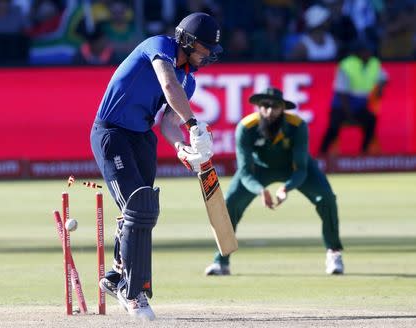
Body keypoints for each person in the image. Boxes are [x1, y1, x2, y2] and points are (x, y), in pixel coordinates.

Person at [90, 12, 222, 321]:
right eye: (204, 48)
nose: (208, 55)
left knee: (142, 210)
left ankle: (116, 275)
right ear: (187, 41)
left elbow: (167, 123)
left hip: (142, 137)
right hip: (111, 132)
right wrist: (194, 124)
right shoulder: (158, 46)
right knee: (138, 207)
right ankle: (133, 291)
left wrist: (182, 148)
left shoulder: (189, 79)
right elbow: (167, 84)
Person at [204, 87, 344, 277]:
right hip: (259, 169)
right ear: (258, 107)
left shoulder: (297, 125)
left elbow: (301, 169)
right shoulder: (246, 128)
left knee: (326, 198)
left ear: (283, 109)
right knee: (230, 203)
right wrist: (261, 190)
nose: (269, 111)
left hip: (294, 168)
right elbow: (245, 172)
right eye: (265, 106)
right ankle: (221, 261)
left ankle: (333, 253)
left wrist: (287, 187)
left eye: (275, 107)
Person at [319, 39, 388, 155]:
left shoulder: (374, 63)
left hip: (360, 105)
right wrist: (349, 114)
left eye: (370, 51)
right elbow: (341, 93)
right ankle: (322, 153)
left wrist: (380, 87)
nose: (369, 53)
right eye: (366, 51)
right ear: (358, 52)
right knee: (333, 126)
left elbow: (384, 77)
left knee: (371, 120)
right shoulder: (347, 65)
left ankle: (364, 152)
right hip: (341, 105)